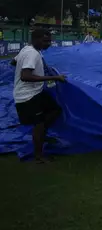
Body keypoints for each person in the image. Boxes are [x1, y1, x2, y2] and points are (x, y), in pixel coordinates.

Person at [11, 29, 67, 163]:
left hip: (35, 92)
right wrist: (54, 77)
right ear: (35, 39)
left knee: (55, 109)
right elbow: (26, 76)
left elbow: (13, 62)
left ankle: (41, 135)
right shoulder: (32, 54)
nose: (48, 44)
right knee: (39, 124)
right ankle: (39, 156)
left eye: (49, 41)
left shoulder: (27, 49)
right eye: (45, 41)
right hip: (28, 96)